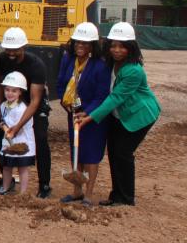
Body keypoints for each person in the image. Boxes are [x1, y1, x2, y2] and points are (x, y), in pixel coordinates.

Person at [77, 22, 160, 206]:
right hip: (119, 115)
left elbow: (115, 98)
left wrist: (90, 117)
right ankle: (116, 195)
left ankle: (126, 198)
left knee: (123, 153)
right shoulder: (111, 63)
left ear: (131, 48)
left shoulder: (134, 71)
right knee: (113, 152)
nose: (117, 50)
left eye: (122, 46)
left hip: (139, 116)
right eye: (113, 45)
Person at [0, 27, 53, 198]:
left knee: (40, 139)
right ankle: (7, 180)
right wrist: (0, 111)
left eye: (15, 49)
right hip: (11, 102)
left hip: (33, 105)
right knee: (0, 136)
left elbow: (35, 100)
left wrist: (18, 126)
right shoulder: (3, 59)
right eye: (8, 49)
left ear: (24, 47)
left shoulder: (36, 65)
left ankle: (44, 185)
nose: (11, 53)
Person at [57, 22, 111, 206]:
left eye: (86, 43)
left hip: (93, 117)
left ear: (93, 45)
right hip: (73, 113)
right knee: (76, 152)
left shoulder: (100, 65)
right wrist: (68, 107)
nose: (81, 46)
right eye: (78, 42)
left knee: (91, 155)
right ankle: (77, 191)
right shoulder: (67, 59)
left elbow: (102, 95)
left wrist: (86, 113)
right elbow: (60, 83)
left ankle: (88, 193)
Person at [0, 72, 35, 195]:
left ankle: (23, 193)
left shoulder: (22, 108)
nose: (9, 93)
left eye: (14, 91)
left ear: (20, 92)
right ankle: (5, 187)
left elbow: (18, 126)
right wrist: (2, 125)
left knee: (22, 168)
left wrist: (9, 129)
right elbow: (4, 120)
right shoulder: (3, 106)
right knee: (7, 167)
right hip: (8, 143)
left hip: (21, 143)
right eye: (7, 90)